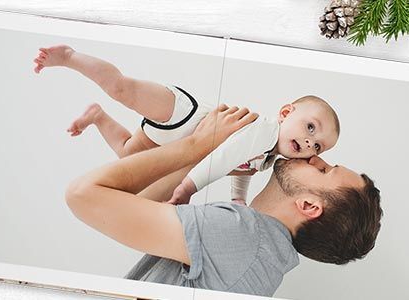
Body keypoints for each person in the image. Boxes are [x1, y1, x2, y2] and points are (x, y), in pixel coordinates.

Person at [65, 105, 382, 297]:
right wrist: (210, 157)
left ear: (310, 207)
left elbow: (82, 195)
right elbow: (130, 205)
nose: (314, 155)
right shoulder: (261, 258)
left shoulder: (240, 236)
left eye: (324, 169)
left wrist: (195, 145)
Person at [35, 45, 341, 205]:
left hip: (176, 145)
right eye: (311, 128)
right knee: (123, 90)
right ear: (286, 112)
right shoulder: (265, 130)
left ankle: (97, 116)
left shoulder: (266, 159)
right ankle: (70, 57)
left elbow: (240, 167)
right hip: (183, 115)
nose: (309, 143)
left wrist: (238, 197)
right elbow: (225, 157)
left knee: (128, 157)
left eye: (318, 146)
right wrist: (189, 187)